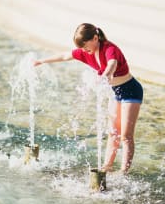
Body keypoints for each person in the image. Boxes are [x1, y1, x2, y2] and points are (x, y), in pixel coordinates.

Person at [34, 23, 143, 174]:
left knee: (125, 135)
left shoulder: (110, 48)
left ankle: (124, 171)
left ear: (95, 38)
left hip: (131, 92)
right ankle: (107, 166)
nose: (85, 51)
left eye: (86, 47)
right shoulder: (86, 51)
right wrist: (42, 61)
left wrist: (104, 76)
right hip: (115, 92)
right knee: (113, 132)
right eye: (83, 49)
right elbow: (65, 56)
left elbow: (112, 63)